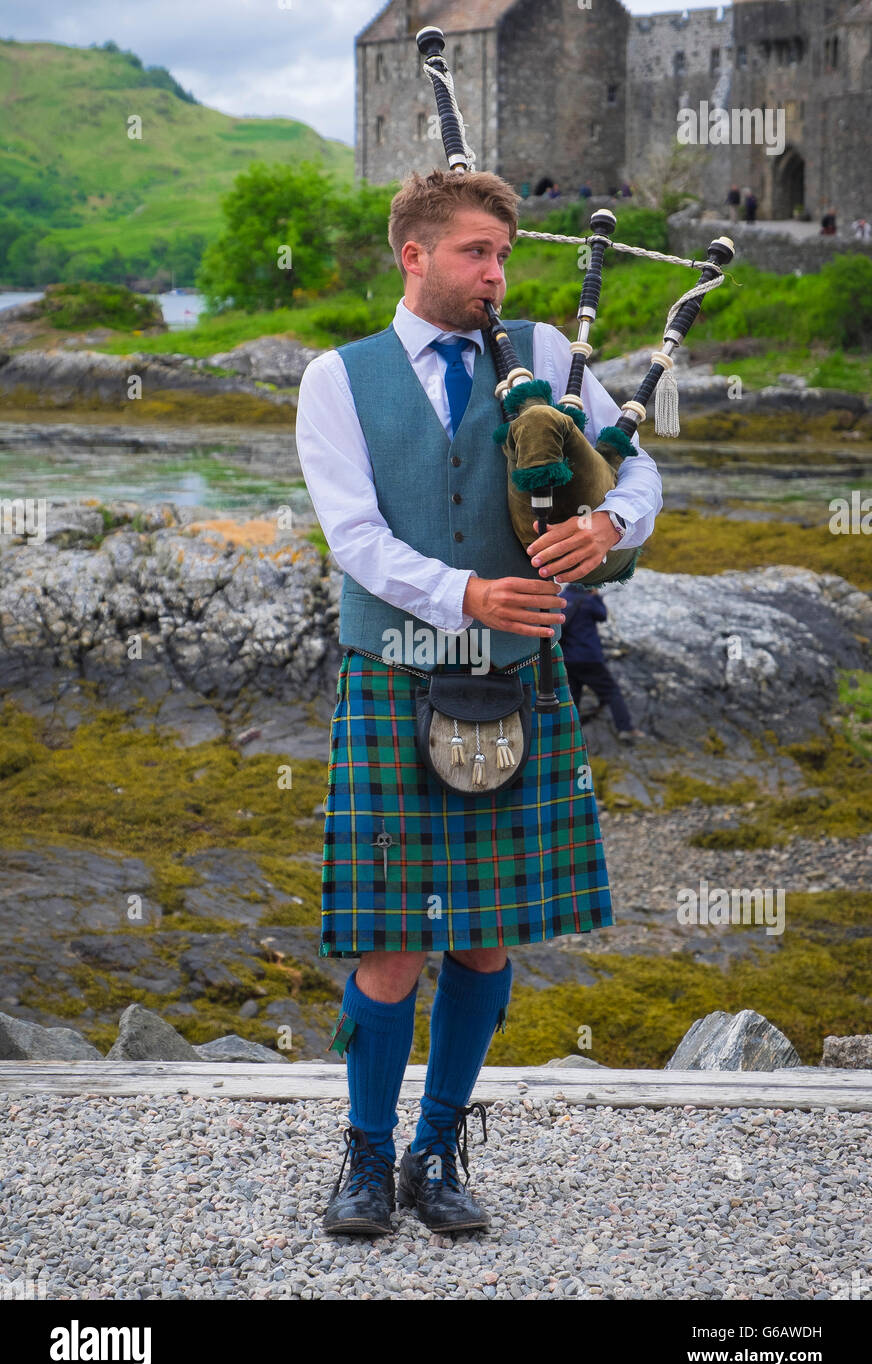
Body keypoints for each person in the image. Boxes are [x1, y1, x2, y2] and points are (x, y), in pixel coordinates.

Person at [295, 168, 663, 1239]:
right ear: (413, 256)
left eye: (502, 255)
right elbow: (352, 537)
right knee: (388, 941)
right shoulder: (337, 379)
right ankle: (363, 1157)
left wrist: (607, 530)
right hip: (392, 676)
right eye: (474, 253)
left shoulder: (548, 357)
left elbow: (634, 474)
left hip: (515, 677)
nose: (496, 273)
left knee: (486, 937)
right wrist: (462, 591)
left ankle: (437, 1150)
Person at [559, 588, 644, 741]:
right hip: (589, 657)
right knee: (611, 691)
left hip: (567, 659)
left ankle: (570, 737)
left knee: (573, 697)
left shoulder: (562, 598)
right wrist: (597, 597)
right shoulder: (589, 599)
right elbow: (602, 615)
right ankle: (625, 728)